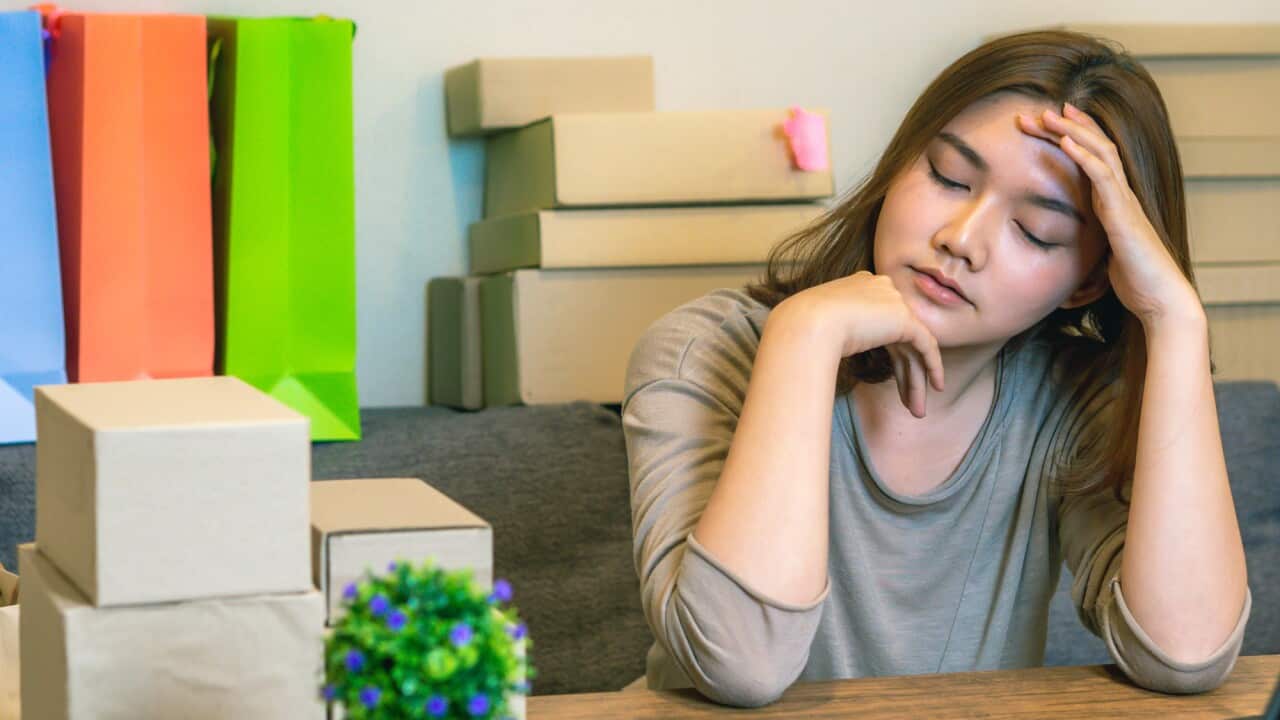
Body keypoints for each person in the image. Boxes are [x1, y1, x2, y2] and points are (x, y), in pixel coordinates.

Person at [621, 29, 1252, 708]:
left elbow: (1184, 656)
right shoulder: (702, 351)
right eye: (950, 177)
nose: (962, 239)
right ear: (898, 167)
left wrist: (1176, 320)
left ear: (1087, 281)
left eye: (1037, 231)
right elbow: (739, 663)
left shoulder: (1073, 400)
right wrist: (803, 336)